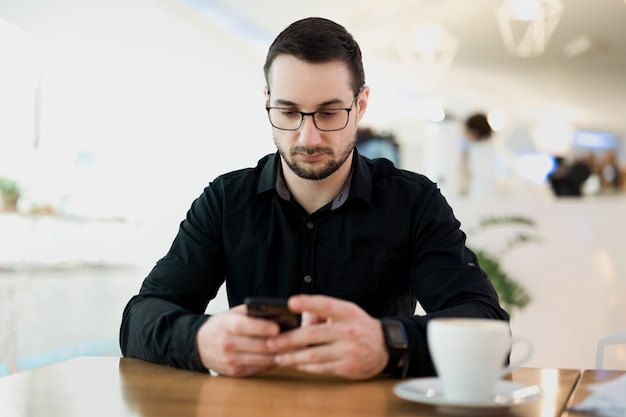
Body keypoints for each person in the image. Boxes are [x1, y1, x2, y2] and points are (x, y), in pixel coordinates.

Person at [120, 17, 509, 380]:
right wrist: (199, 341)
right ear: (267, 100)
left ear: (361, 105)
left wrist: (388, 344)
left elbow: (490, 327)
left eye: (329, 113)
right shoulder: (226, 200)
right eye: (288, 112)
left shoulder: (413, 202)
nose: (308, 137)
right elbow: (140, 318)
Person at [460, 113, 497, 199]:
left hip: (479, 197)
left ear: (474, 131)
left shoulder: (476, 150)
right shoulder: (494, 148)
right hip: (488, 198)